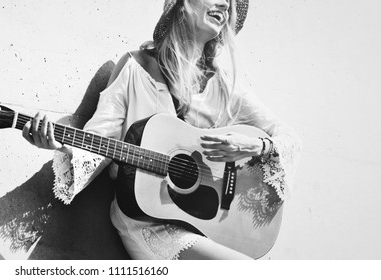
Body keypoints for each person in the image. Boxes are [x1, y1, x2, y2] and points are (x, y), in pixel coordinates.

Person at [22, 0, 301, 260]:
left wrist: (255, 146)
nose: (225, 4)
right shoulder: (138, 69)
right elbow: (98, 140)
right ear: (181, 4)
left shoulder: (225, 88)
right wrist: (61, 144)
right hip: (146, 222)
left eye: (230, 0)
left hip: (205, 225)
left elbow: (288, 138)